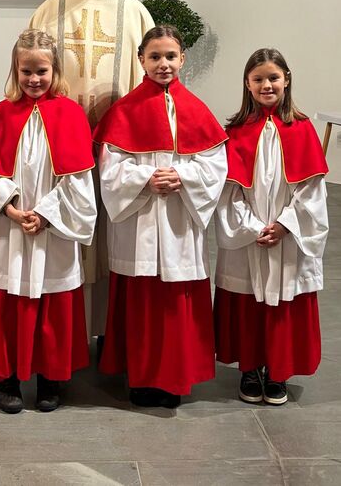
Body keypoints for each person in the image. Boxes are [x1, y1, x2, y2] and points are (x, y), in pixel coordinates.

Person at [29, 0, 154, 336]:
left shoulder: (136, 14)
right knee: (68, 234)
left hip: (119, 152)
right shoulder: (48, 12)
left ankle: (112, 332)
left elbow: (152, 87)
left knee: (116, 237)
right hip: (63, 153)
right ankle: (69, 334)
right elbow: (29, 78)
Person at [94, 25, 228, 407]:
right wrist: (146, 178)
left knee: (174, 303)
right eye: (154, 57)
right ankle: (141, 378)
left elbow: (214, 166)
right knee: (141, 303)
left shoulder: (197, 111)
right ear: (141, 60)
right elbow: (110, 170)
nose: (163, 64)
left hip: (178, 220)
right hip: (138, 221)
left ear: (182, 59)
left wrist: (182, 176)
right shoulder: (124, 111)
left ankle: (173, 380)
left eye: (170, 56)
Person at [0, 29, 97, 413]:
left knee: (51, 302)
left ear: (54, 70)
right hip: (10, 225)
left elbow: (78, 180)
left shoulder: (71, 115)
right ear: (15, 70)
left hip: (52, 226)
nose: (34, 79)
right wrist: (10, 207)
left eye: (41, 71)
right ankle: (7, 379)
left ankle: (49, 378)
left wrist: (45, 214)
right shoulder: (1, 115)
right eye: (26, 71)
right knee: (8, 300)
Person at [214, 48, 329, 406]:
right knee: (248, 300)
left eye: (273, 78)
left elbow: (312, 190)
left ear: (287, 80)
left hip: (287, 234)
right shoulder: (235, 132)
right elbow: (228, 192)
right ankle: (250, 369)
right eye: (258, 79)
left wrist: (284, 225)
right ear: (247, 84)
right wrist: (251, 227)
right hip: (249, 233)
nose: (267, 85)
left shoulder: (303, 129)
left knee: (284, 299)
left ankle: (278, 371)